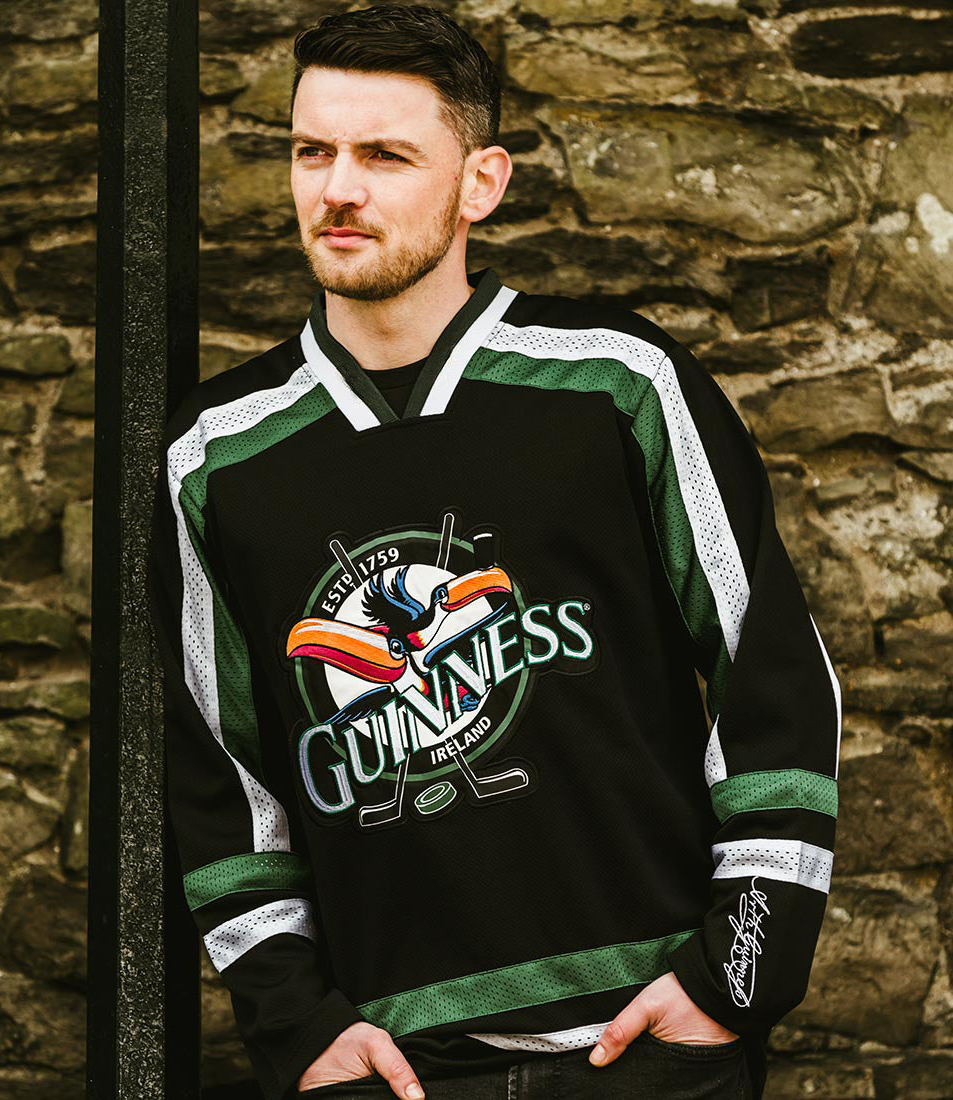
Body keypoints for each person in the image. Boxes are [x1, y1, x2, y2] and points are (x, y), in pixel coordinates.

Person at [146, 7, 842, 1100]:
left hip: (649, 1046)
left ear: (479, 181)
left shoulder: (617, 383)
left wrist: (732, 978)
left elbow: (775, 680)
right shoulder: (216, 455)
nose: (336, 188)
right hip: (393, 1065)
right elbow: (220, 781)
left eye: (384, 155)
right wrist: (298, 1029)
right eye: (310, 150)